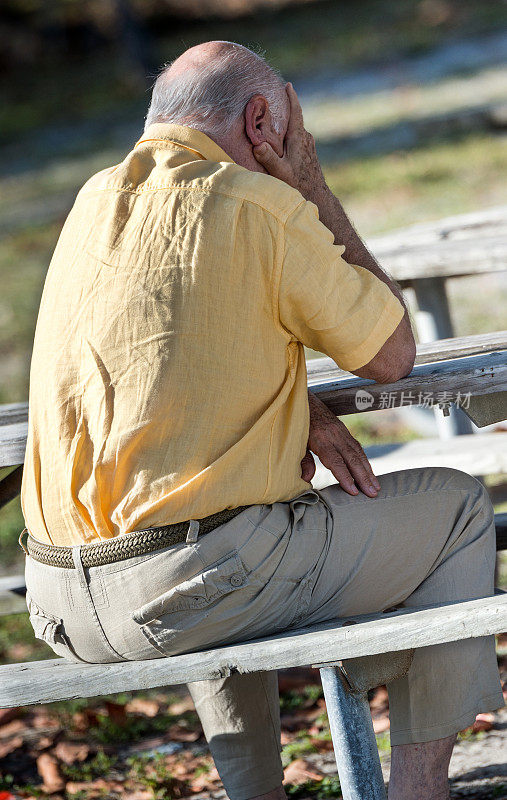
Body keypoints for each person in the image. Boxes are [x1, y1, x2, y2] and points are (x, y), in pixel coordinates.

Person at [20, 41, 503, 800]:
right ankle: (419, 792)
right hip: (190, 589)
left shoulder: (93, 203)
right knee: (458, 511)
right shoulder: (258, 201)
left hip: (57, 601)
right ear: (260, 121)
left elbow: (158, 349)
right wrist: (307, 180)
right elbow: (391, 353)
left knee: (221, 523)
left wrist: (297, 404)